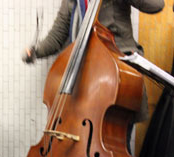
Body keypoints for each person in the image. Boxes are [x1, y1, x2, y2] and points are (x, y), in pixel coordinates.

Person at [22, 0, 164, 126]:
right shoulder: (72, 1)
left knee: (114, 140)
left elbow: (156, 5)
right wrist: (35, 51)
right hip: (85, 79)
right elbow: (58, 35)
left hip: (116, 78)